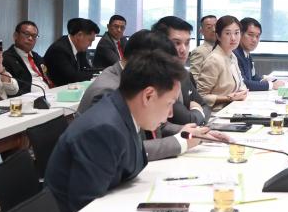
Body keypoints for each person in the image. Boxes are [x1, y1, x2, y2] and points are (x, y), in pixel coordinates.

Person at [45, 50, 186, 212]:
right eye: (169, 103)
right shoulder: (104, 129)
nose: (170, 113)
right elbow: (87, 210)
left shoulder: (126, 112)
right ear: (148, 96)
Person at [78, 29, 230, 162]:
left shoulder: (136, 80)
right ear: (143, 60)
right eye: (162, 64)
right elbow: (122, 151)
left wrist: (191, 134)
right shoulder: (108, 90)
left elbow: (159, 126)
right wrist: (181, 142)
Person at [152, 16, 213, 126]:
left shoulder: (184, 74)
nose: (183, 50)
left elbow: (206, 106)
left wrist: (196, 113)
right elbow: (187, 120)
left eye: (187, 43)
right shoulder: (156, 77)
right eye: (177, 43)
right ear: (160, 44)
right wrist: (196, 109)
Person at [192, 15, 249, 111]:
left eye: (236, 33)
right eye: (228, 33)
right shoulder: (214, 59)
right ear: (218, 36)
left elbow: (241, 84)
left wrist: (242, 92)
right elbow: (201, 96)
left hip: (232, 109)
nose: (233, 38)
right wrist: (228, 98)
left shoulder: (232, 55)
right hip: (216, 113)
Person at [43, 18, 99, 86]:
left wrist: (100, 73)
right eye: (90, 40)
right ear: (79, 35)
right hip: (56, 89)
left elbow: (87, 69)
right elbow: (72, 77)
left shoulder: (80, 48)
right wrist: (98, 75)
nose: (90, 45)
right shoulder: (59, 49)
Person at [2, 20, 52, 95]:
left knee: (69, 96)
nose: (30, 38)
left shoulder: (36, 57)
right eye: (26, 34)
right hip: (29, 98)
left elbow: (47, 77)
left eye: (34, 36)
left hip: (50, 94)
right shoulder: (6, 58)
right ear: (16, 35)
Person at [234, 17, 282, 91]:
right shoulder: (235, 54)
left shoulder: (247, 54)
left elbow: (253, 76)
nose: (254, 40)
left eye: (257, 36)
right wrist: (271, 85)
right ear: (240, 34)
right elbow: (244, 83)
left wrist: (264, 80)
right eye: (250, 35)